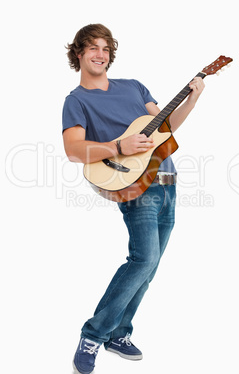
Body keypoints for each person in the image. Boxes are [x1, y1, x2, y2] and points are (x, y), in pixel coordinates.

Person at [62, 23, 205, 374]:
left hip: (167, 180)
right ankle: (93, 333)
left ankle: (119, 333)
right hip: (135, 186)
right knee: (143, 260)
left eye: (106, 48)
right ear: (78, 54)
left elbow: (166, 127)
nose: (100, 54)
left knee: (150, 266)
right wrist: (117, 146)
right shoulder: (77, 100)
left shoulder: (134, 87)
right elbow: (73, 149)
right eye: (92, 48)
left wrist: (195, 95)